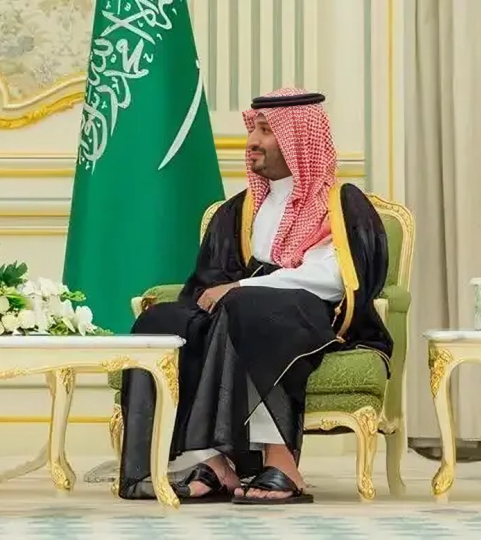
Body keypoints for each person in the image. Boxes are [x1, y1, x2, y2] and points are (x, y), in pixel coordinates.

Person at [116, 88, 393, 505]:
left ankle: (283, 465)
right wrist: (222, 296)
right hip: (239, 309)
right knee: (161, 321)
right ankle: (205, 464)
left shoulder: (340, 203)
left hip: (311, 315)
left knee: (251, 308)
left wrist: (243, 288)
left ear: (298, 138)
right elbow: (211, 278)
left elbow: (335, 278)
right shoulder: (239, 209)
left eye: (266, 131)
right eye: (253, 130)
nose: (252, 142)